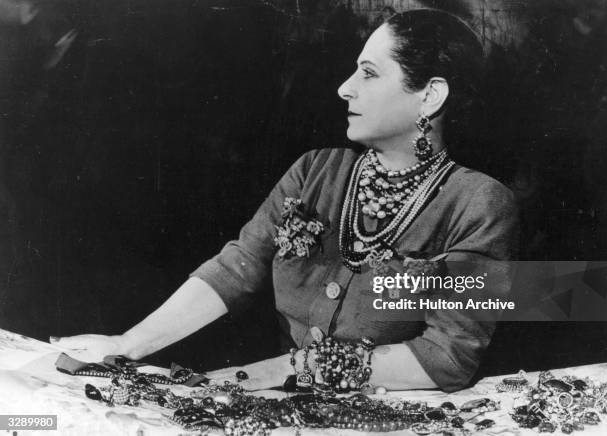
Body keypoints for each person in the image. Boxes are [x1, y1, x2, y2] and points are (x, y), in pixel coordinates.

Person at [53, 9, 518, 393]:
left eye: (369, 73)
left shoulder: (478, 203)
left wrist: (290, 369)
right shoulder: (315, 170)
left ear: (430, 96)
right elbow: (238, 266)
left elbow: (449, 356)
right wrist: (127, 344)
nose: (345, 87)